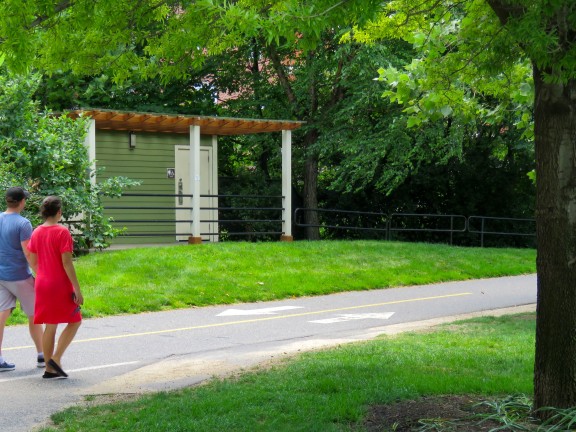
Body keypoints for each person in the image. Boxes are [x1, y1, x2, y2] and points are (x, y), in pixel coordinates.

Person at [27, 196, 83, 379]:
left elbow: (33, 261)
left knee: (50, 324)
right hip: (59, 284)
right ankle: (56, 358)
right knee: (75, 320)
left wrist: (43, 274)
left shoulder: (36, 232)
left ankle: (49, 369)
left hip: (42, 283)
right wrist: (77, 288)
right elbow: (67, 263)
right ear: (58, 212)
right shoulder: (62, 232)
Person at [0, 187, 45, 372]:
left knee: (1, 316)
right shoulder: (23, 223)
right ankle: (42, 355)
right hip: (20, 277)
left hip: (1, 276)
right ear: (22, 202)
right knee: (35, 315)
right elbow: (28, 252)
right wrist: (40, 273)